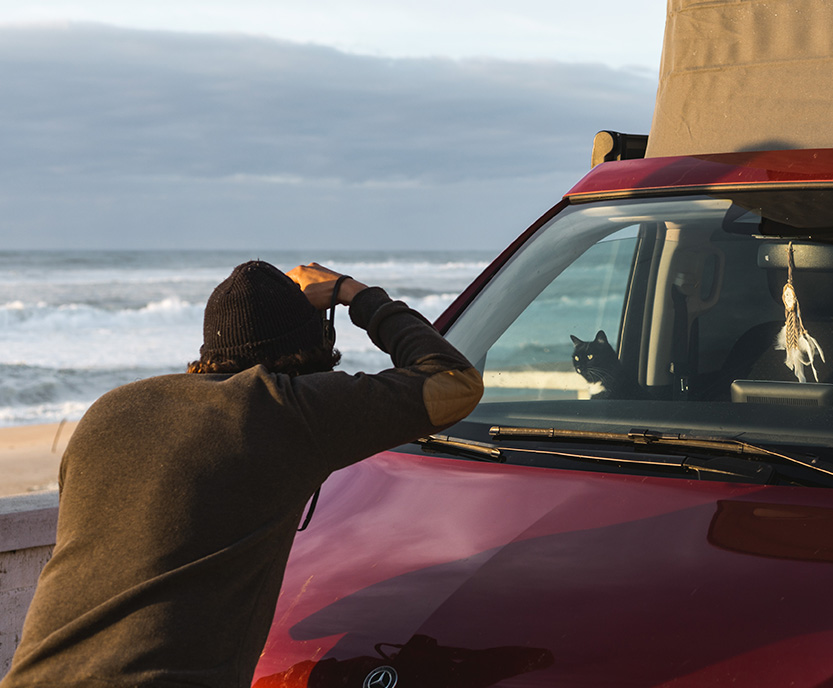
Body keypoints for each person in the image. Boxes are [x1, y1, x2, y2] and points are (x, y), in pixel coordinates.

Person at [1, 260, 483, 688]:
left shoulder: (110, 410)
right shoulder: (282, 410)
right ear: (309, 355)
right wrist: (354, 294)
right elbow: (452, 382)